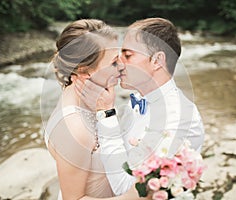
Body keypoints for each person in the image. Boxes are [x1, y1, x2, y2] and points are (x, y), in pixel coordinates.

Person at [75, 17, 205, 196]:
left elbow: (124, 186)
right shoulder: (138, 97)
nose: (119, 62)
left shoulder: (178, 118)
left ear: (157, 60)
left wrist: (106, 113)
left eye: (128, 55)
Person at [43, 19, 147, 200]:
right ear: (84, 71)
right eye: (114, 62)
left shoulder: (90, 96)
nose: (122, 66)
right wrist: (135, 196)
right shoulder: (74, 129)